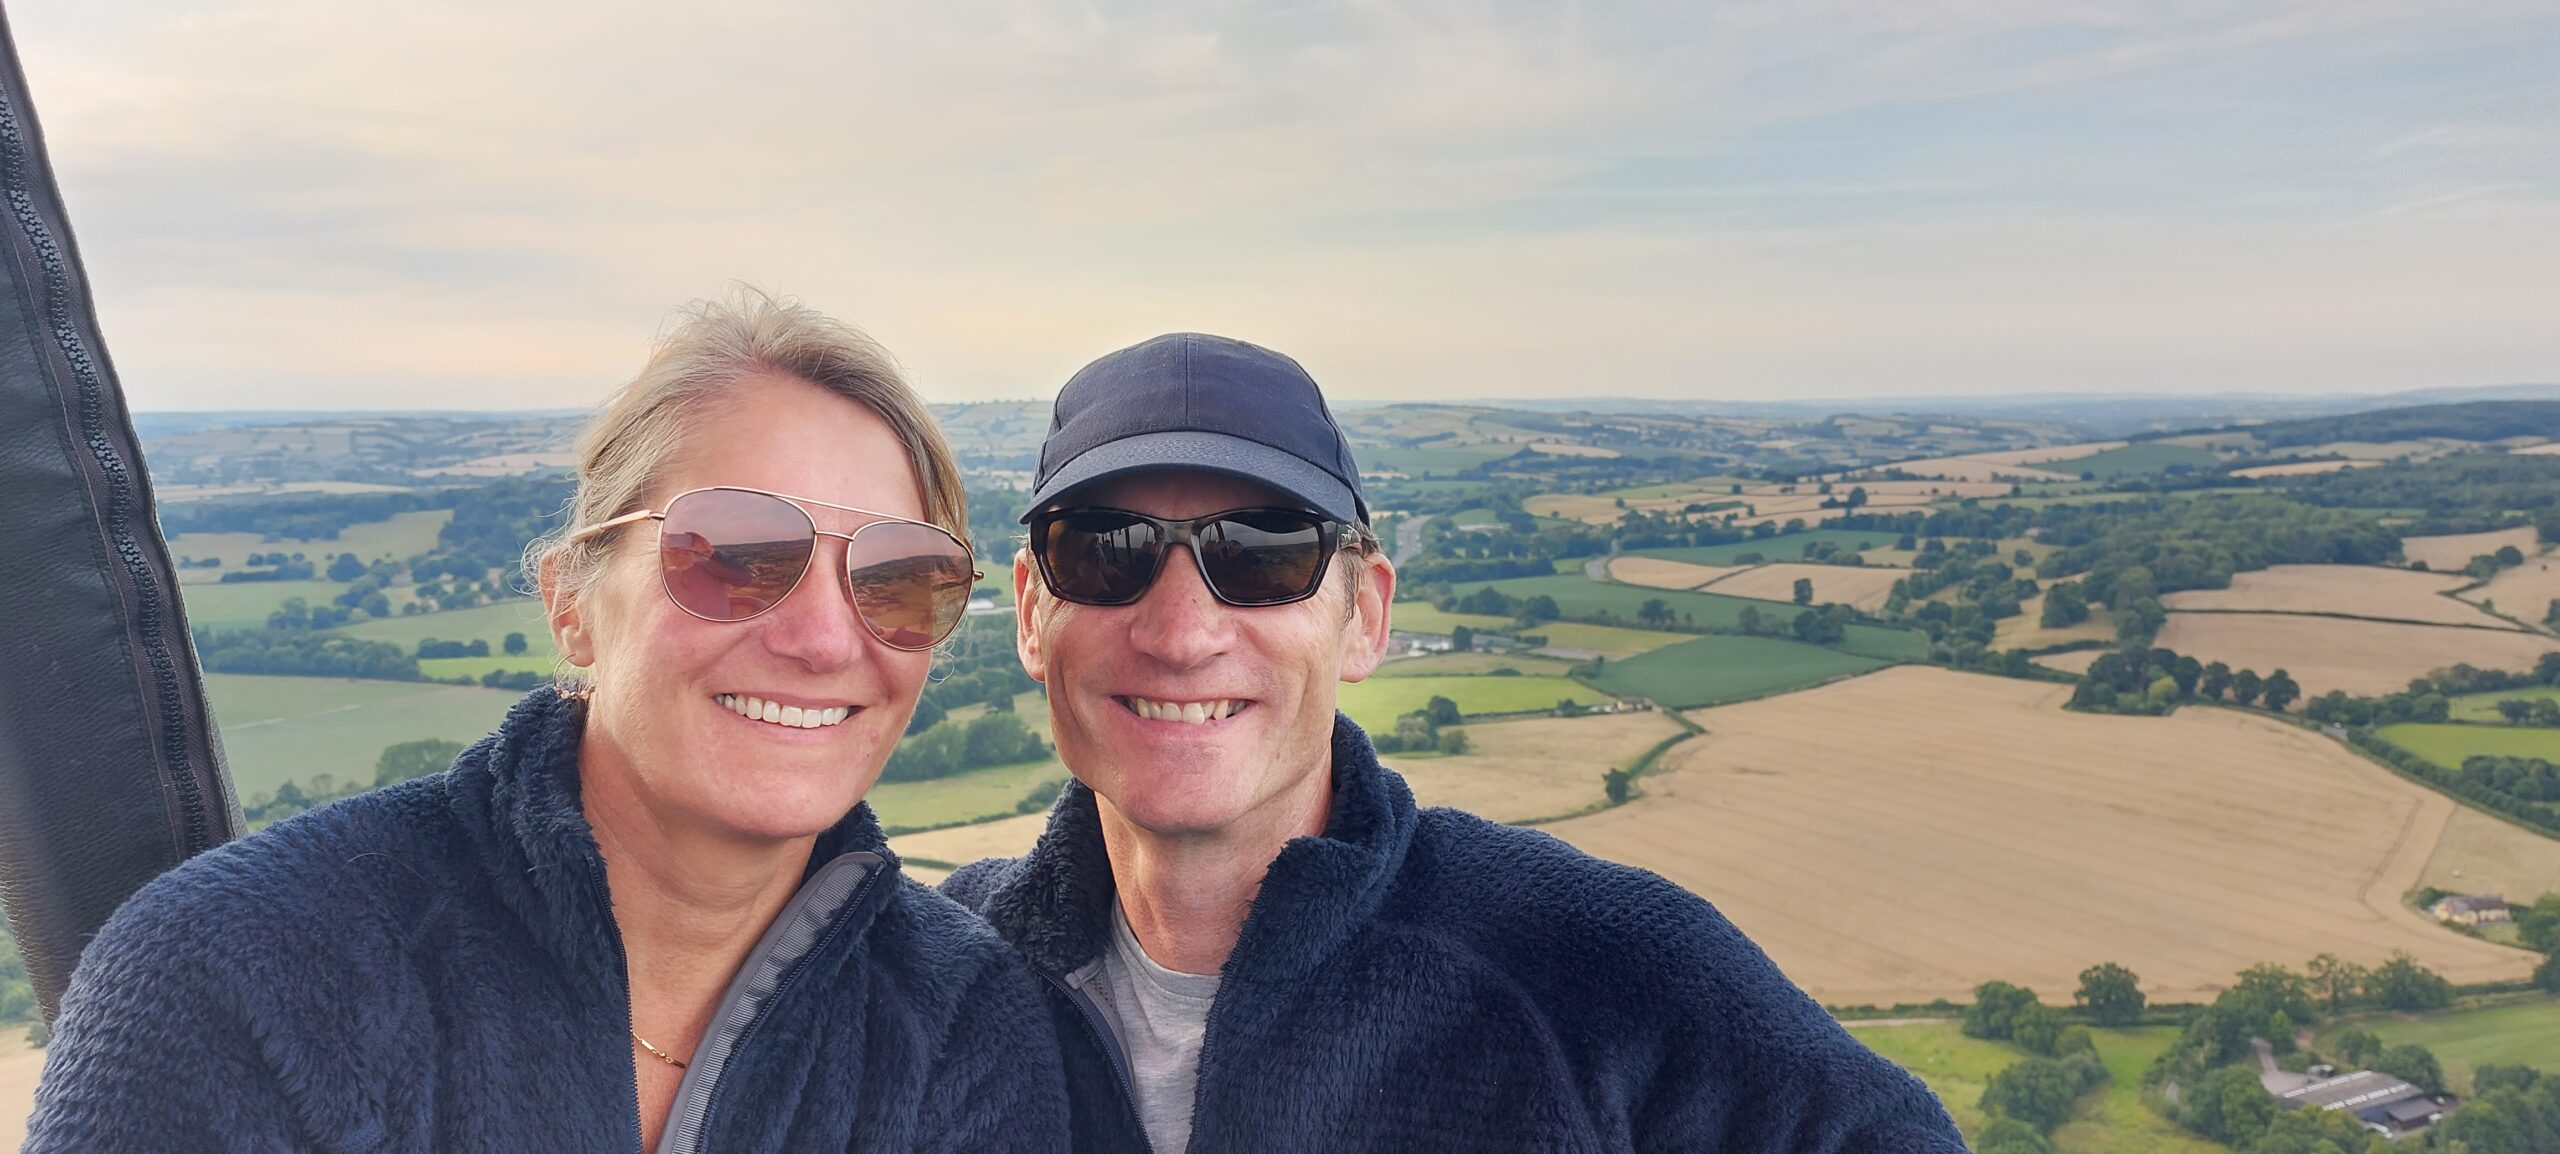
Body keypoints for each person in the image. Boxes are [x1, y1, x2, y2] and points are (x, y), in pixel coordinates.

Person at [27, 291, 1068, 1153]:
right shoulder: (250, 966)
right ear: (571, 599)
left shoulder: (956, 1023)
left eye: (898, 579)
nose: (824, 638)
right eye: (735, 553)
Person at [944, 332, 1967, 1153]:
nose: (1179, 631)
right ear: (1033, 613)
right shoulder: (931, 975)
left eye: (1261, 554)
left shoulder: (1602, 972)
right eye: (1106, 550)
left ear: (1365, 617)